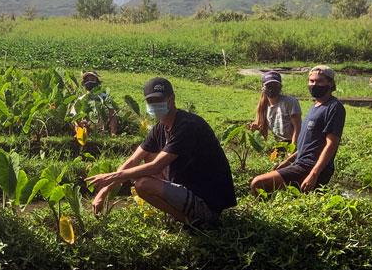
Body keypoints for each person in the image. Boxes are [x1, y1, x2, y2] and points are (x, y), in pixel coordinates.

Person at [86, 78, 236, 226]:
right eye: (150, 102)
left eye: (158, 100)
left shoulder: (187, 126)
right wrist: (103, 192)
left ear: (171, 99)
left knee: (143, 184)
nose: (154, 105)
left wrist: (111, 176)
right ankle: (185, 212)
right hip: (189, 189)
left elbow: (156, 167)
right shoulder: (161, 127)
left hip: (207, 203)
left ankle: (189, 221)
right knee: (149, 155)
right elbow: (133, 161)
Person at [250, 65, 345, 195]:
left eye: (319, 81)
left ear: (331, 83)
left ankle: (259, 214)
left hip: (309, 167)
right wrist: (287, 161)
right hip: (301, 164)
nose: (314, 84)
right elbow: (308, 145)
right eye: (311, 81)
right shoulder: (315, 106)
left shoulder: (334, 107)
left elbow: (331, 144)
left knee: (257, 183)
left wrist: (313, 174)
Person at [248, 71, 301, 145]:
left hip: (295, 141)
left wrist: (293, 146)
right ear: (262, 87)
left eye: (275, 85)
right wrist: (255, 130)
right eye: (269, 85)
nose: (272, 88)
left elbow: (298, 127)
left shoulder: (289, 101)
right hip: (279, 143)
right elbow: (262, 136)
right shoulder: (263, 107)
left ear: (280, 86)